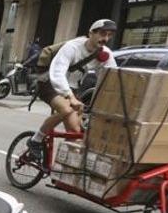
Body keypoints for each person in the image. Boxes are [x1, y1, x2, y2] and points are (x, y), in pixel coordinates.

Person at [26, 19, 116, 162]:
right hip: (51, 83)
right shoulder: (72, 47)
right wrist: (70, 96)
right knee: (66, 110)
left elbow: (110, 80)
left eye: (109, 35)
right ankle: (35, 140)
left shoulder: (105, 54)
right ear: (91, 33)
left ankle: (67, 171)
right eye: (102, 34)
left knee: (75, 132)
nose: (105, 38)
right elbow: (57, 73)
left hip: (73, 88)